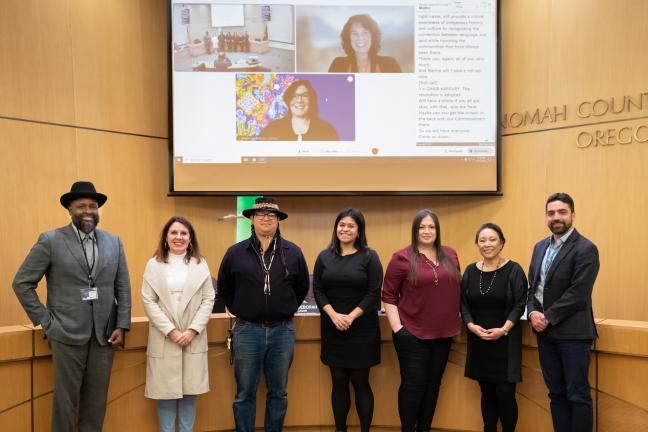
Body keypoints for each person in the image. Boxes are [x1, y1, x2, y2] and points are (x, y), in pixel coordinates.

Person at [12, 181, 131, 432]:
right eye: (81, 206)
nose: (88, 211)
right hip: (65, 333)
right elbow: (22, 283)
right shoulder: (50, 240)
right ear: (69, 209)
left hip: (104, 336)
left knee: (96, 404)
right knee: (65, 403)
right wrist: (46, 322)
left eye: (93, 206)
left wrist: (122, 324)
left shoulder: (114, 242)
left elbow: (123, 287)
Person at [217, 197, 310, 432]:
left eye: (272, 215)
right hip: (247, 331)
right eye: (261, 215)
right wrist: (242, 310)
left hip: (283, 331)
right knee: (244, 393)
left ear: (279, 221)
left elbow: (301, 288)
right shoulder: (235, 253)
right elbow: (225, 289)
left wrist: (284, 308)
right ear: (251, 219)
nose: (266, 218)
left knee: (278, 393)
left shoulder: (293, 252)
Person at [382, 209, 461, 432]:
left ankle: (424, 428)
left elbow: (456, 289)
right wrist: (398, 329)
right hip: (412, 335)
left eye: (431, 227)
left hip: (444, 335)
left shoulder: (451, 254)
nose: (427, 231)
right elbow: (388, 295)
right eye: (422, 227)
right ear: (415, 230)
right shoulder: (402, 258)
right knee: (413, 386)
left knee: (433, 385)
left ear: (438, 230)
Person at [527, 193, 599, 432]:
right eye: (551, 213)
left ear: (572, 215)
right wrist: (532, 313)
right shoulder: (539, 247)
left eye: (561, 212)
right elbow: (533, 288)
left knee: (577, 395)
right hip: (546, 335)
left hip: (573, 335)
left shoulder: (586, 248)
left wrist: (546, 317)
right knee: (556, 394)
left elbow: (578, 293)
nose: (556, 217)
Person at [142, 216, 215, 432]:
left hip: (193, 338)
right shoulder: (153, 265)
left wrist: (192, 331)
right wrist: (172, 332)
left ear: (190, 238)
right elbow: (148, 300)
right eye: (174, 233)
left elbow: (208, 299)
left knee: (189, 393)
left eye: (184, 233)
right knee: (164, 393)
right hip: (164, 338)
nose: (179, 237)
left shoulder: (201, 264)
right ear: (166, 237)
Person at [313, 208, 383, 432]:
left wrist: (351, 316)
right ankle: (340, 429)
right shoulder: (324, 257)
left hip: (362, 328)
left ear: (359, 230)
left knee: (361, 382)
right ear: (336, 227)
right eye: (342, 225)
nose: (345, 229)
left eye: (351, 225)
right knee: (338, 381)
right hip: (333, 327)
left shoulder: (370, 256)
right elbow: (318, 289)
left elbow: (374, 292)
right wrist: (334, 315)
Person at [460, 223, 528, 432]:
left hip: (505, 341)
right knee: (486, 393)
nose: (487, 244)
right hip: (479, 340)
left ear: (501, 243)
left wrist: (504, 329)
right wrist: (471, 326)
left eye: (492, 240)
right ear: (477, 244)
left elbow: (520, 303)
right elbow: (463, 303)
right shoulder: (471, 271)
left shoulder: (514, 270)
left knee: (506, 393)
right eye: (482, 240)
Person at [260, 79, 339, 141]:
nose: (299, 100)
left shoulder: (327, 131)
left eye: (305, 96)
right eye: (294, 96)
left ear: (312, 99)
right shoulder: (271, 130)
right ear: (288, 100)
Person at [329, 14, 402, 73]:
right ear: (348, 38)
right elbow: (327, 91)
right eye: (354, 33)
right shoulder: (338, 65)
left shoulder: (390, 64)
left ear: (373, 36)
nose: (360, 37)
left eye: (365, 32)